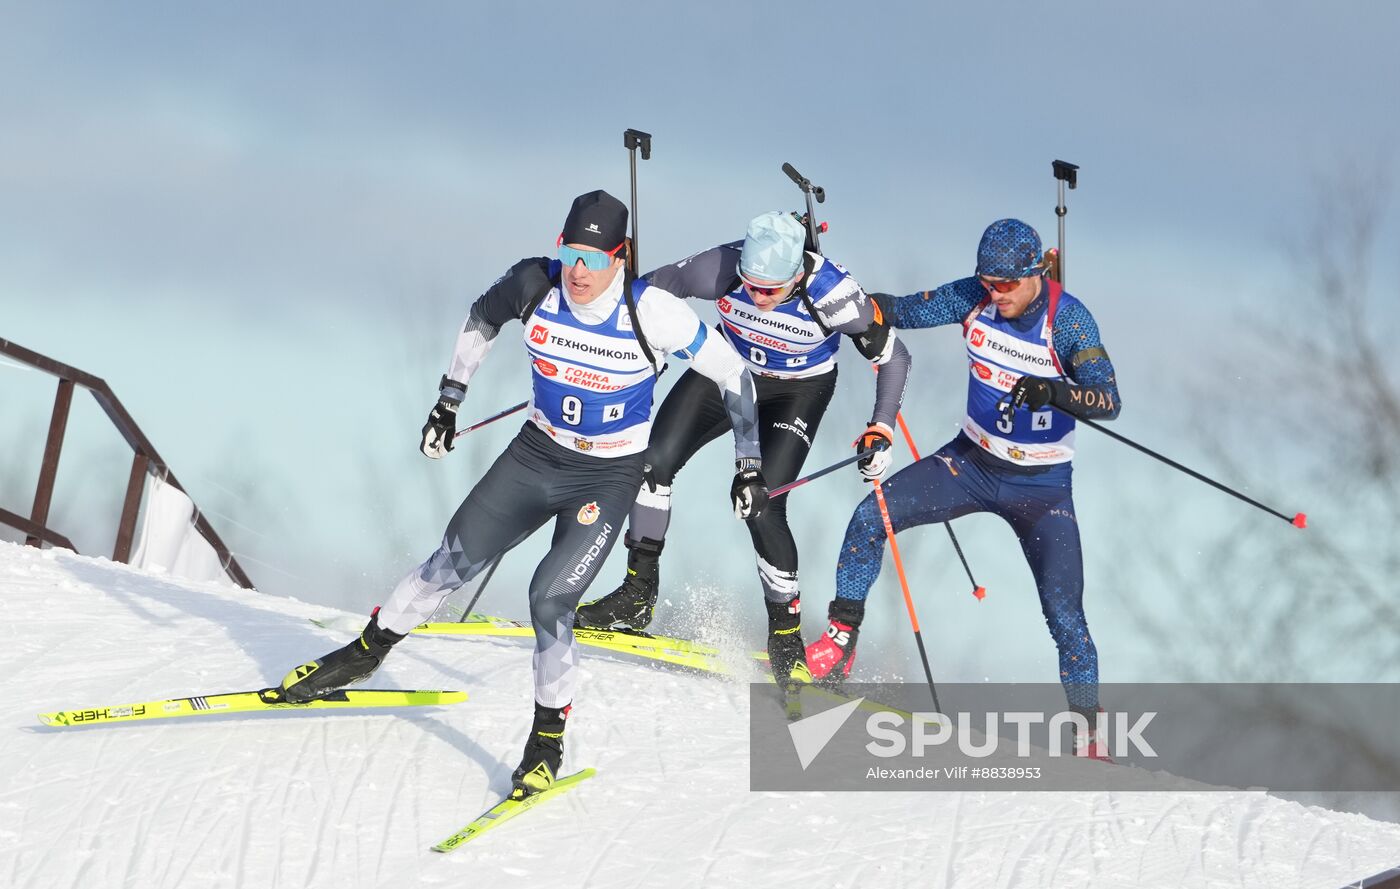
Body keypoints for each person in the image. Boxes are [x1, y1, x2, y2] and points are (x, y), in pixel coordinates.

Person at [275, 190, 766, 796]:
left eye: (593, 257)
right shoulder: (535, 283)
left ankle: (546, 740)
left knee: (548, 601)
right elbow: (480, 320)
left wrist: (747, 464)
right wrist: (449, 400)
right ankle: (362, 655)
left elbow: (733, 372)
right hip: (534, 457)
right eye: (570, 252)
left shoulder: (654, 312)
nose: (578, 270)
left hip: (606, 477)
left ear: (622, 256)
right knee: (447, 564)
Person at [804, 219, 1121, 756]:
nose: (995, 295)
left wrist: (1055, 392)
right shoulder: (975, 296)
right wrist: (839, 303)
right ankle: (840, 643)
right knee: (869, 516)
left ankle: (1090, 732)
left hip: (1041, 490)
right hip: (970, 465)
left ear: (1034, 273)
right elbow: (896, 309)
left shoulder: (1068, 322)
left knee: (1065, 615)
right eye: (987, 283)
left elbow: (1108, 400)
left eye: (1006, 285)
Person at [576, 211, 910, 687]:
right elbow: (648, 292)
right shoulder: (721, 267)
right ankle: (636, 592)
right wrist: (627, 334)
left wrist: (882, 427)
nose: (756, 295)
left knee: (763, 505)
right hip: (726, 370)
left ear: (798, 276)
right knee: (651, 463)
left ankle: (786, 637)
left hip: (797, 391)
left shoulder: (835, 295)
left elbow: (895, 356)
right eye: (749, 285)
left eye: (770, 290)